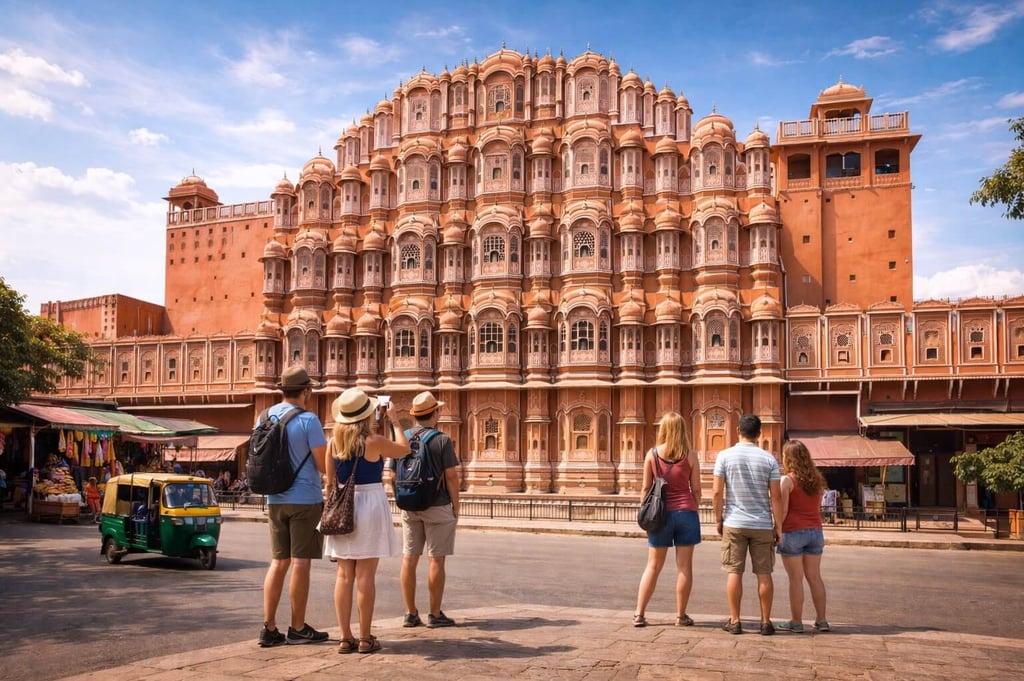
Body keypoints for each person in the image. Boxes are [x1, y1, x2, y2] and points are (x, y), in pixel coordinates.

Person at [324, 388, 409, 654]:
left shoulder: (333, 442)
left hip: (344, 506)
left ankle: (344, 637)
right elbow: (404, 449)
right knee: (366, 577)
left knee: (344, 575)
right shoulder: (375, 441)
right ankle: (364, 637)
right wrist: (394, 420)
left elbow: (330, 482)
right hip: (370, 504)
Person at [258, 366, 330, 648]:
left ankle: (268, 627)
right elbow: (322, 464)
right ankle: (298, 627)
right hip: (305, 499)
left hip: (275, 499)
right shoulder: (309, 420)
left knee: (278, 562)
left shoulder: (263, 416)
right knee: (301, 562)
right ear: (306, 391)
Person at [712, 413, 784, 636]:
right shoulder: (769, 459)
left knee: (734, 572)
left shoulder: (724, 456)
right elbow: (776, 497)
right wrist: (778, 526)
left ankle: (735, 621)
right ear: (759, 434)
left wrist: (718, 519)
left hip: (734, 522)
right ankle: (765, 622)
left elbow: (716, 492)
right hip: (762, 523)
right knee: (764, 573)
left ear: (737, 431)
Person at [395, 390, 461, 629]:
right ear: (436, 413)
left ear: (414, 415)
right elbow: (451, 476)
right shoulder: (441, 440)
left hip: (408, 505)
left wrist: (403, 498)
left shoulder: (403, 437)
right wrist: (456, 505)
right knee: (436, 560)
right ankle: (434, 614)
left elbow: (392, 474)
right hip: (438, 504)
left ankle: (410, 613)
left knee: (409, 558)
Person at [632, 411, 702, 628]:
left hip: (660, 515)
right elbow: (697, 490)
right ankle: (681, 617)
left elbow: (645, 488)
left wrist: (647, 514)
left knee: (653, 565)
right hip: (686, 514)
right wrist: (691, 508)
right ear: (682, 430)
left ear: (662, 429)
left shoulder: (651, 455)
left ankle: (639, 614)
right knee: (684, 567)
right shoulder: (690, 455)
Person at [775, 440, 830, 633]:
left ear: (787, 458)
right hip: (815, 531)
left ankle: (796, 622)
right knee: (815, 578)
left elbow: (783, 511)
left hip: (793, 532)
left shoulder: (787, 480)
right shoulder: (816, 480)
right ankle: (822, 620)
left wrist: (777, 531)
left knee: (795, 579)